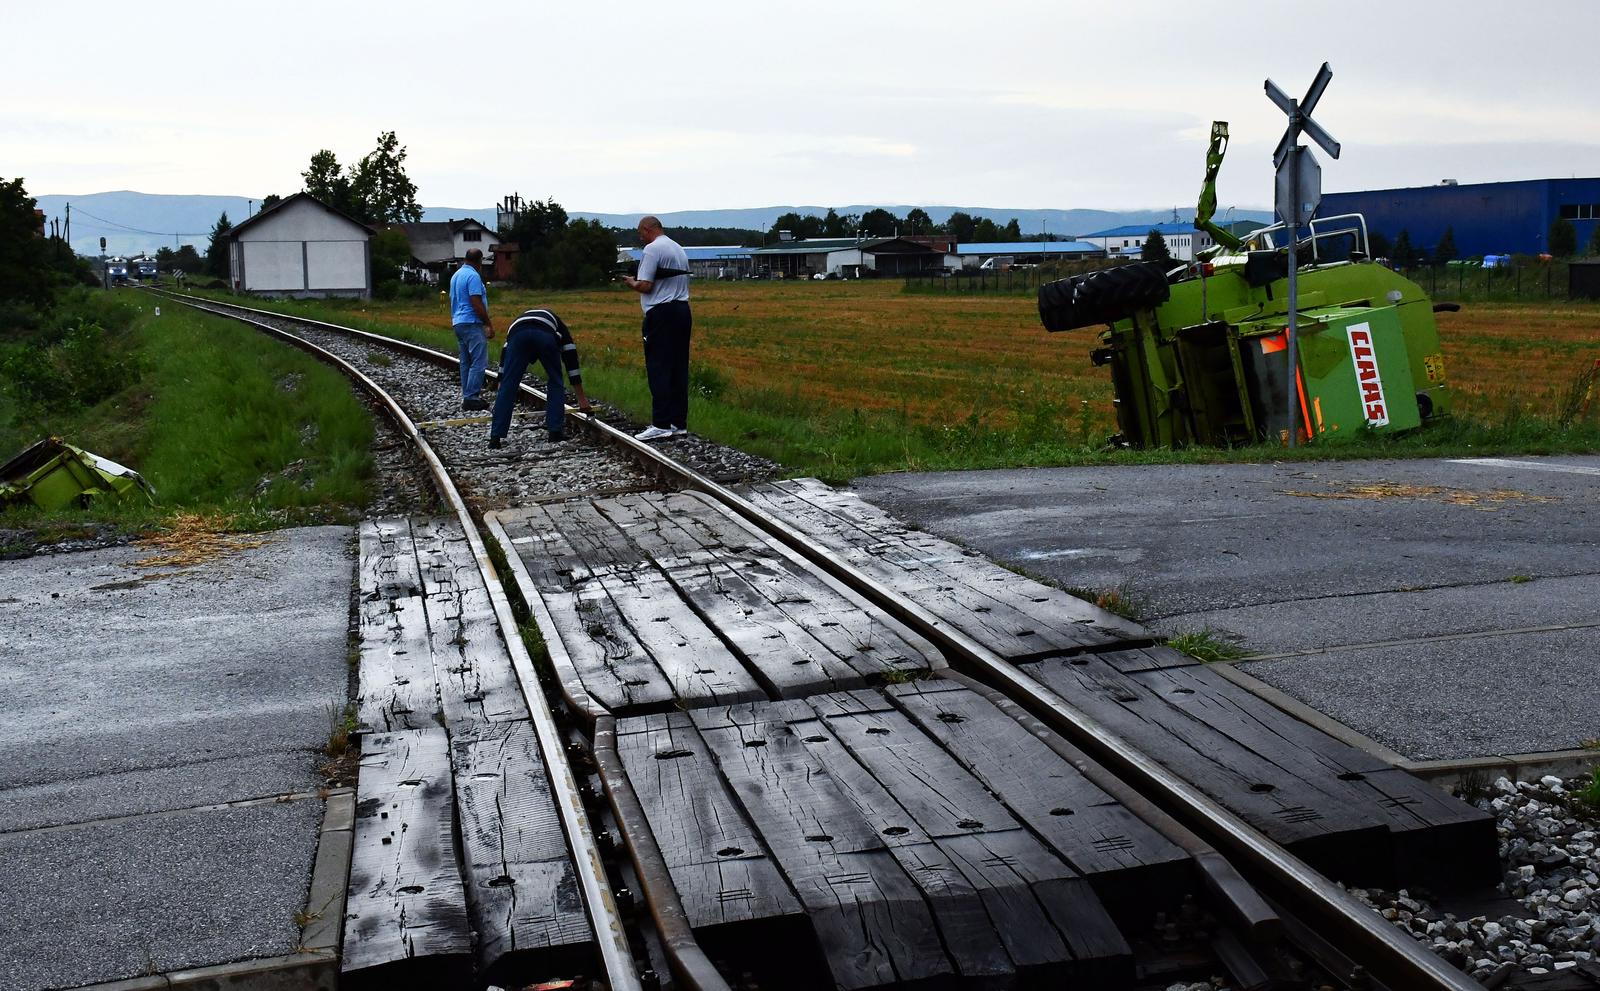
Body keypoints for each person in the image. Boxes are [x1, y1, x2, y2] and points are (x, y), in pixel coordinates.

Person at [620, 216, 691, 441]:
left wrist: (631, 283)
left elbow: (646, 285)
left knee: (658, 367)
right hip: (682, 311)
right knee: (678, 368)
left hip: (661, 314)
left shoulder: (652, 250)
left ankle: (660, 423)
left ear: (648, 229)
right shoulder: (678, 248)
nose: (640, 237)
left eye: (641, 232)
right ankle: (678, 422)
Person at [489, 308, 591, 448]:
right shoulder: (560, 328)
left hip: (518, 337)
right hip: (544, 336)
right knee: (555, 381)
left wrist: (501, 383)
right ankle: (555, 432)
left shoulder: (517, 326)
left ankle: (495, 438)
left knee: (509, 385)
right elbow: (571, 363)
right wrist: (581, 399)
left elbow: (504, 359)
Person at [448, 248, 494, 410]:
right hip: (471, 322)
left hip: (458, 322)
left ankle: (467, 395)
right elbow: (476, 302)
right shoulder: (473, 276)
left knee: (466, 361)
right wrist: (488, 323)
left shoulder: (456, 275)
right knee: (479, 360)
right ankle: (472, 397)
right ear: (479, 261)